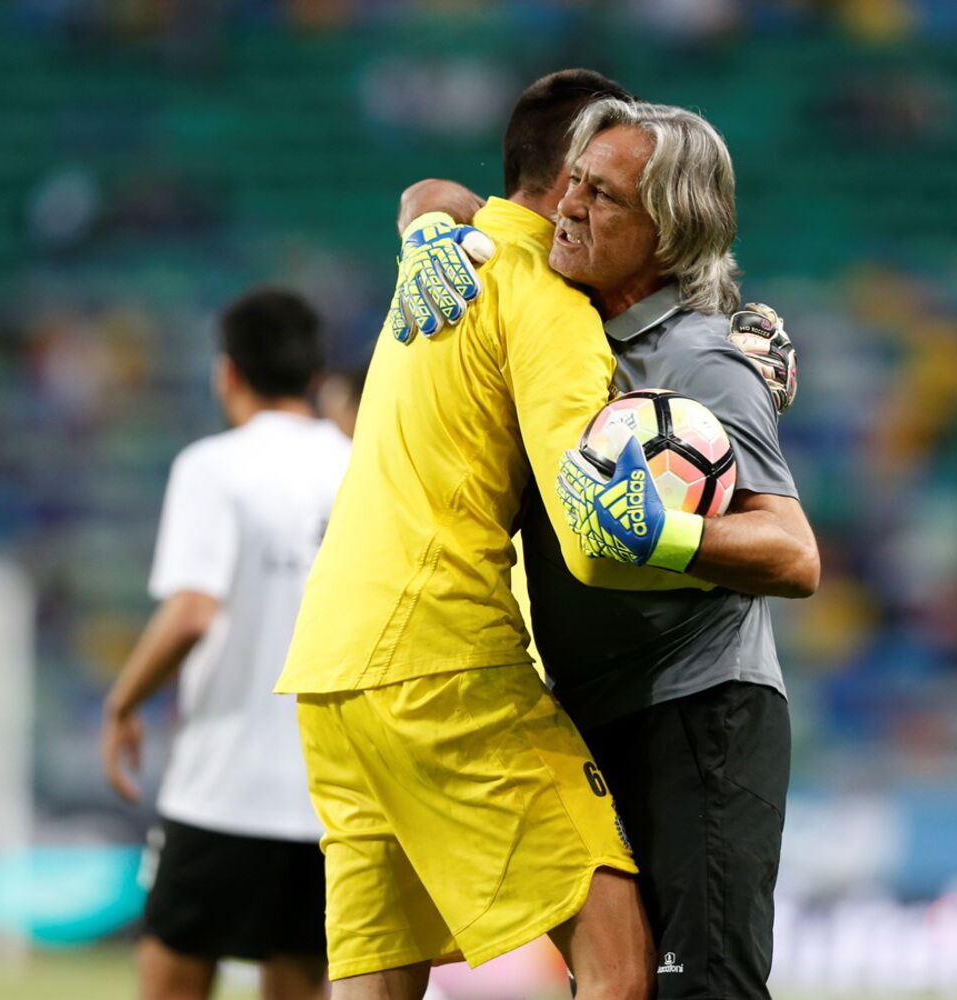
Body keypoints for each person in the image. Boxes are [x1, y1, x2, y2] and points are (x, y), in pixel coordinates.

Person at [276, 69, 697, 1000]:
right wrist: (707, 548)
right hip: (445, 661)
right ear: (575, 177)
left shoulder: (438, 263)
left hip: (331, 671)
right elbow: (594, 534)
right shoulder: (546, 300)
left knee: (374, 982)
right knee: (619, 966)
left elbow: (431, 195)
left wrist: (421, 210)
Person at [397, 94, 818, 1000]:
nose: (570, 206)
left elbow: (795, 554)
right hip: (595, 716)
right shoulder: (569, 318)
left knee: (702, 988)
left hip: (699, 716)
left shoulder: (703, 362)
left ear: (669, 230)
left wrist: (661, 534)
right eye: (575, 182)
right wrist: (422, 225)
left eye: (604, 196)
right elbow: (450, 193)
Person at [100, 287, 350, 1000]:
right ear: (315, 375)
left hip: (224, 789)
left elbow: (190, 613)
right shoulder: (359, 466)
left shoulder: (213, 467)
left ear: (227, 372)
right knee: (299, 980)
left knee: (173, 980)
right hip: (331, 794)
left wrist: (123, 704)